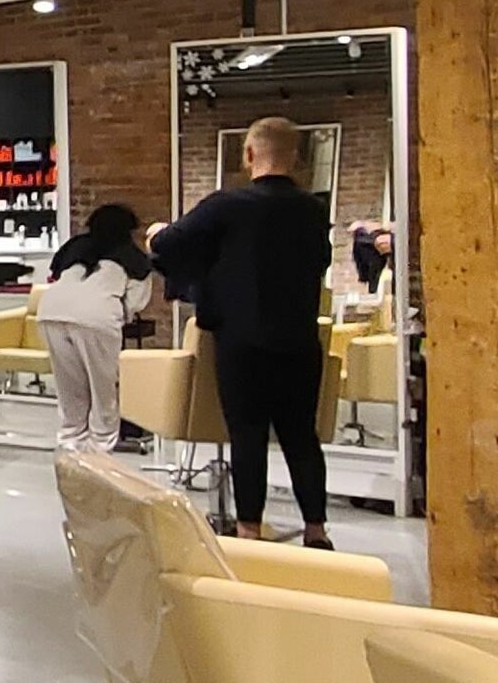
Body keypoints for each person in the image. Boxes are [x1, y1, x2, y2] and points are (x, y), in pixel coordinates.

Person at [152, 115, 338, 545]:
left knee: (247, 433)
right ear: (297, 158)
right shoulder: (313, 211)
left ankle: (249, 529)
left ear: (249, 154)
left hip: (242, 340)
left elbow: (167, 245)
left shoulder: (226, 206)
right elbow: (322, 263)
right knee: (301, 435)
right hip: (298, 340)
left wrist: (158, 233)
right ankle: (316, 529)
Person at [35, 203, 158, 453]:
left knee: (69, 387)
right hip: (96, 317)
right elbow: (135, 302)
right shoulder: (133, 257)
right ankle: (101, 446)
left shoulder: (74, 247)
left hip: (50, 311)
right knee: (104, 388)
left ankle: (70, 441)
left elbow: (55, 276)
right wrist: (120, 315)